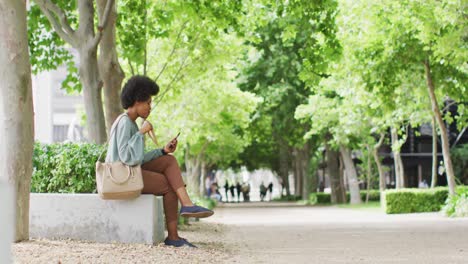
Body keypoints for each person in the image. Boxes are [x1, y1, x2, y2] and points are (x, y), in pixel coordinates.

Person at [105, 75, 213, 248]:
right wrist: (141, 133)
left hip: (130, 171)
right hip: (123, 177)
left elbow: (137, 157)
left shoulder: (131, 123)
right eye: (148, 102)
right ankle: (173, 236)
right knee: (168, 185)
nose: (150, 107)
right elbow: (127, 157)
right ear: (137, 100)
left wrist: (162, 150)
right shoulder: (126, 123)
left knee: (168, 160)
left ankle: (187, 205)